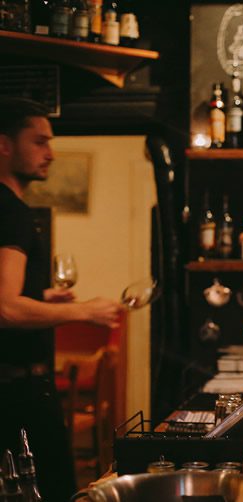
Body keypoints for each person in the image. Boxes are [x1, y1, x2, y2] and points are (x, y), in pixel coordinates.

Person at [0, 97, 123, 501]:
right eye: (38, 142)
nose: (50, 154)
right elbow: (4, 306)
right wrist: (83, 311)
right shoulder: (11, 211)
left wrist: (43, 296)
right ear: (4, 145)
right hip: (19, 397)